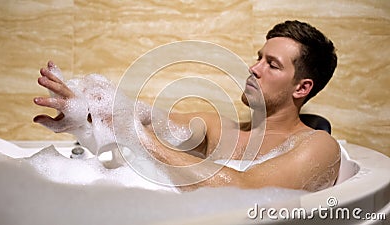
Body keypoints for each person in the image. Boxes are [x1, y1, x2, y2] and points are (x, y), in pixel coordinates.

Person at [34, 20, 340, 192]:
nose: (253, 68)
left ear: (302, 87)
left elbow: (243, 190)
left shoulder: (317, 145)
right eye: (258, 57)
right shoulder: (216, 126)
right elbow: (146, 119)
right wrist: (85, 117)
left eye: (271, 65)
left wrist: (137, 136)